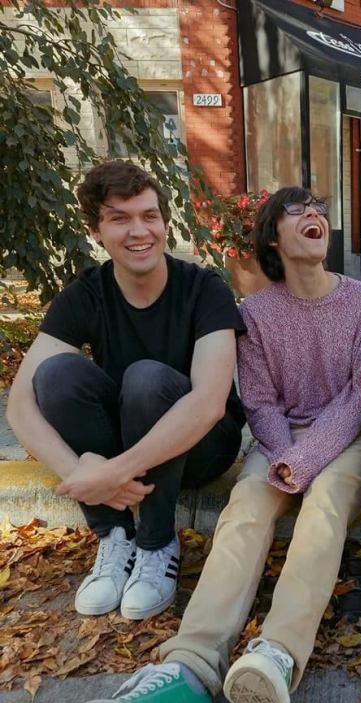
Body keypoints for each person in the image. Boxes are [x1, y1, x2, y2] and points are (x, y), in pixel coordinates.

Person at [64, 187, 361, 703]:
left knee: (326, 504)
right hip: (280, 438)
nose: (314, 215)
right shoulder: (254, 314)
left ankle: (278, 654)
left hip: (353, 437)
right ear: (271, 239)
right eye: (296, 211)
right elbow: (259, 403)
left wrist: (305, 461)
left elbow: (360, 397)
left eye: (318, 209)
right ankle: (190, 666)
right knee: (244, 510)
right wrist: (285, 455)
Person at [6, 160, 245, 621]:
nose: (139, 231)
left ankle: (156, 544)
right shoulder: (85, 294)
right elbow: (20, 405)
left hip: (202, 448)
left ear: (165, 223)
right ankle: (115, 537)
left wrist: (113, 472)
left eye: (149, 216)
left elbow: (209, 404)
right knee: (56, 375)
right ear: (96, 231)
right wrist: (81, 474)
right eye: (120, 218)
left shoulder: (204, 289)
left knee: (146, 378)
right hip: (128, 445)